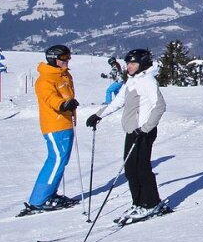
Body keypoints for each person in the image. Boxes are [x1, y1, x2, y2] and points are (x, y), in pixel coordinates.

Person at [86, 47, 169, 224]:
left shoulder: (147, 81)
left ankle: (151, 203)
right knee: (130, 169)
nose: (129, 66)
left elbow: (160, 106)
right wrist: (99, 115)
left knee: (141, 168)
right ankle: (138, 202)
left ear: (143, 64)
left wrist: (146, 128)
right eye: (128, 63)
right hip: (133, 131)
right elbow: (119, 101)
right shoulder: (132, 80)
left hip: (143, 132)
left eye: (133, 63)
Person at [25, 45, 79, 214]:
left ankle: (50, 193)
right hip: (55, 125)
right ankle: (39, 199)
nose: (67, 61)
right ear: (54, 59)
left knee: (61, 161)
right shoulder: (45, 79)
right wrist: (63, 105)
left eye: (68, 57)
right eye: (64, 58)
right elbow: (50, 98)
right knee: (56, 161)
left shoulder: (63, 75)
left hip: (66, 123)